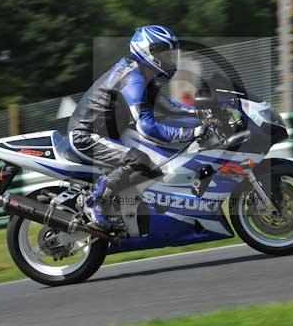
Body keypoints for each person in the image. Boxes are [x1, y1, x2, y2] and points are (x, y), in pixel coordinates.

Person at [67, 25, 208, 231]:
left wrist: (201, 113)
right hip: (87, 135)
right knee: (139, 160)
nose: (170, 58)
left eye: (171, 53)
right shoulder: (133, 77)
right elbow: (147, 127)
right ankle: (96, 205)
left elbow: (167, 107)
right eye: (164, 53)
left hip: (110, 132)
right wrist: (191, 133)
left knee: (156, 162)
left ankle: (128, 210)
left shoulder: (145, 74)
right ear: (147, 51)